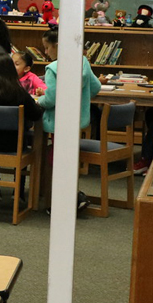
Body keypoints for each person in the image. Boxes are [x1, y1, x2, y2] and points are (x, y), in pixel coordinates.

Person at [36, 28, 102, 212]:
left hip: (58, 121)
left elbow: (50, 99)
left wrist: (39, 99)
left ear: (57, 46)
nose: (46, 52)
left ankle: (58, 201)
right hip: (76, 121)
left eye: (47, 48)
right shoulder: (83, 62)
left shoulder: (54, 68)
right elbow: (96, 87)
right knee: (67, 158)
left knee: (56, 159)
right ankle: (73, 196)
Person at [0, 53, 43, 201]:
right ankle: (18, 191)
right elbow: (36, 115)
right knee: (22, 138)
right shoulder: (19, 94)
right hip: (14, 145)